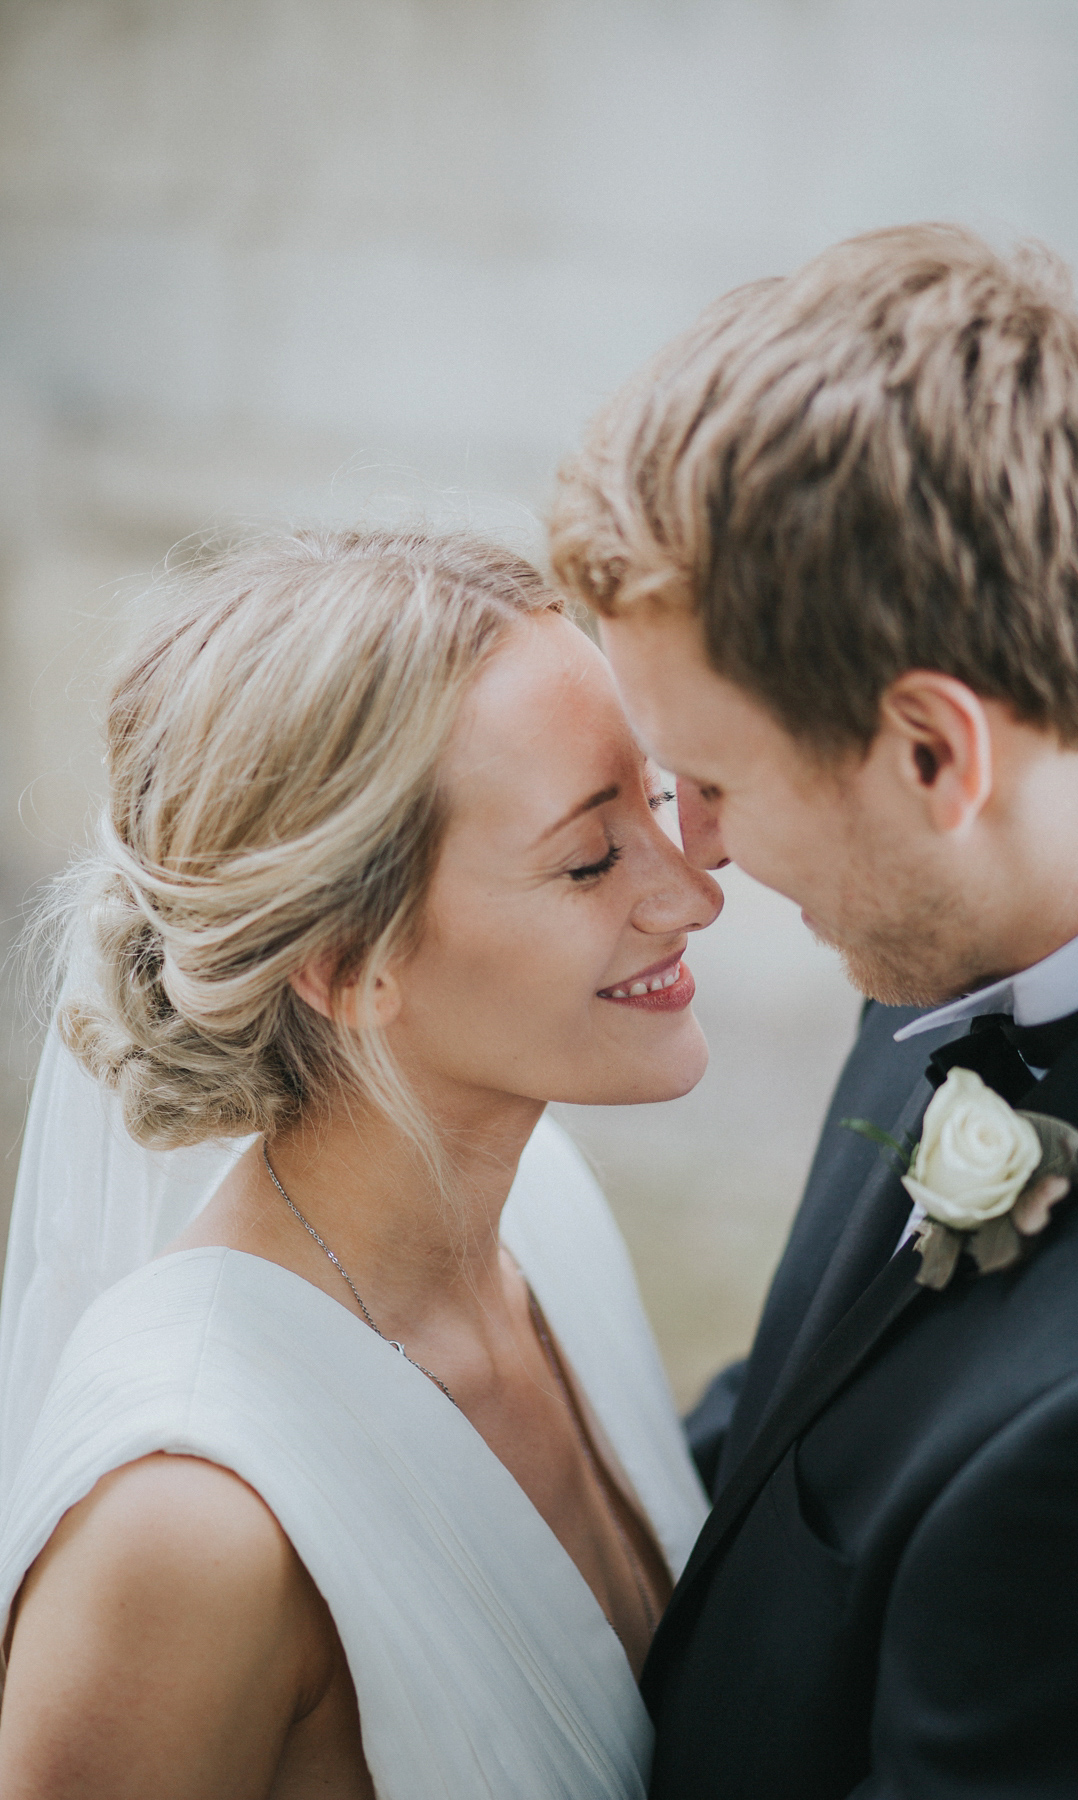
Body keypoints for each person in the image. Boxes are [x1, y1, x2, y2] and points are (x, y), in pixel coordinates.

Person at [549, 223, 1078, 1798]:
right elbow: (798, 1428)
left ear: (934, 754)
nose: (690, 853)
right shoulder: (965, 942)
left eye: (709, 782)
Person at [0, 528, 724, 1799]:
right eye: (591, 856)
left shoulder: (545, 1209)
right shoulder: (186, 1531)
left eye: (656, 802)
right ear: (346, 966)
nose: (692, 895)